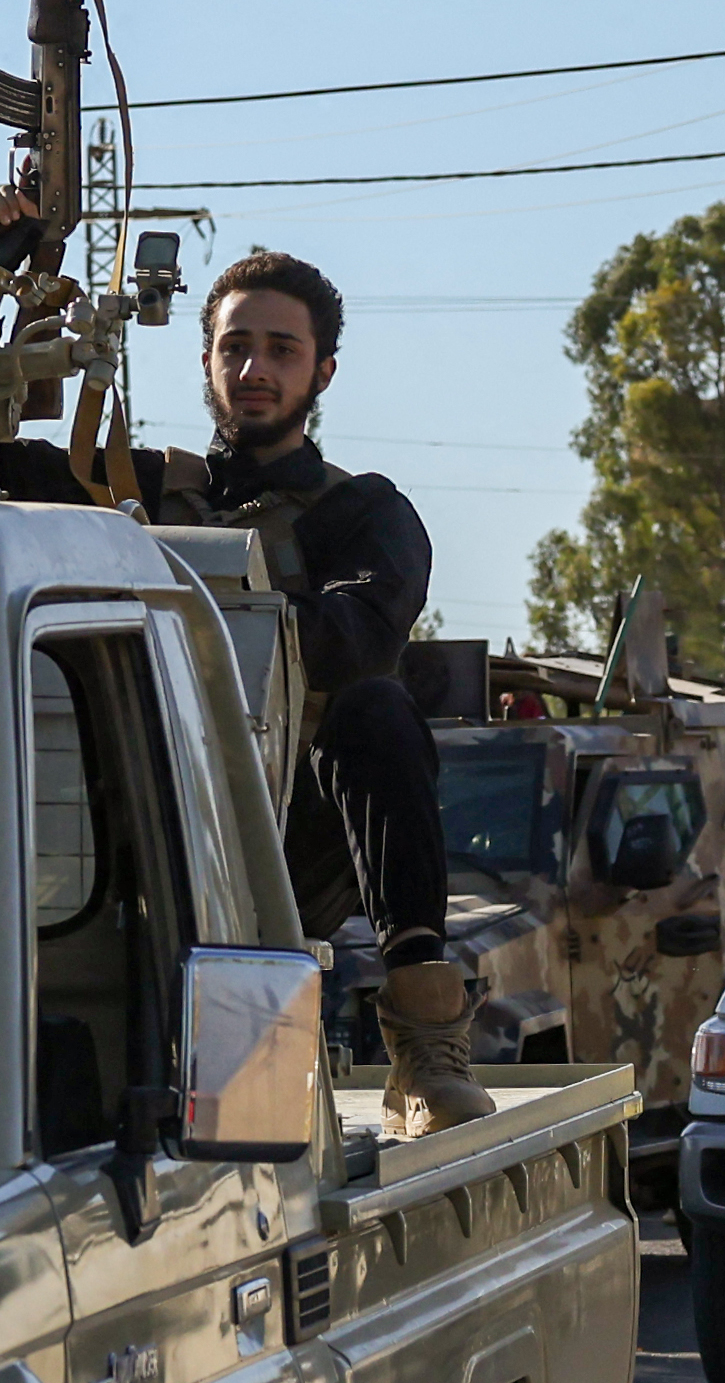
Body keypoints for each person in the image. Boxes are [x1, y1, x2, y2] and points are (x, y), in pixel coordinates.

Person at [133, 252, 486, 1135]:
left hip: (292, 830)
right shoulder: (127, 487)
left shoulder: (364, 515)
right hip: (137, 814)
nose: (255, 371)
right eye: (236, 347)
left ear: (321, 371)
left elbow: (354, 639)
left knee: (375, 709)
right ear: (208, 361)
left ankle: (423, 1036)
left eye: (282, 351)